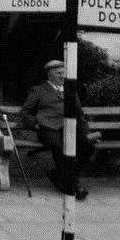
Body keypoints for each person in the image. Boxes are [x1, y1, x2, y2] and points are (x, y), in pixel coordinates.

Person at [20, 59, 94, 200]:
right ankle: (74, 185)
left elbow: (79, 114)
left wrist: (86, 131)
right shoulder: (39, 90)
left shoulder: (70, 90)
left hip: (70, 128)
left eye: (63, 73)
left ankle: (59, 176)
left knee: (88, 146)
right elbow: (26, 112)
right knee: (60, 147)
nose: (62, 76)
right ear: (49, 74)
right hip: (48, 129)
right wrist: (35, 124)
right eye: (59, 73)